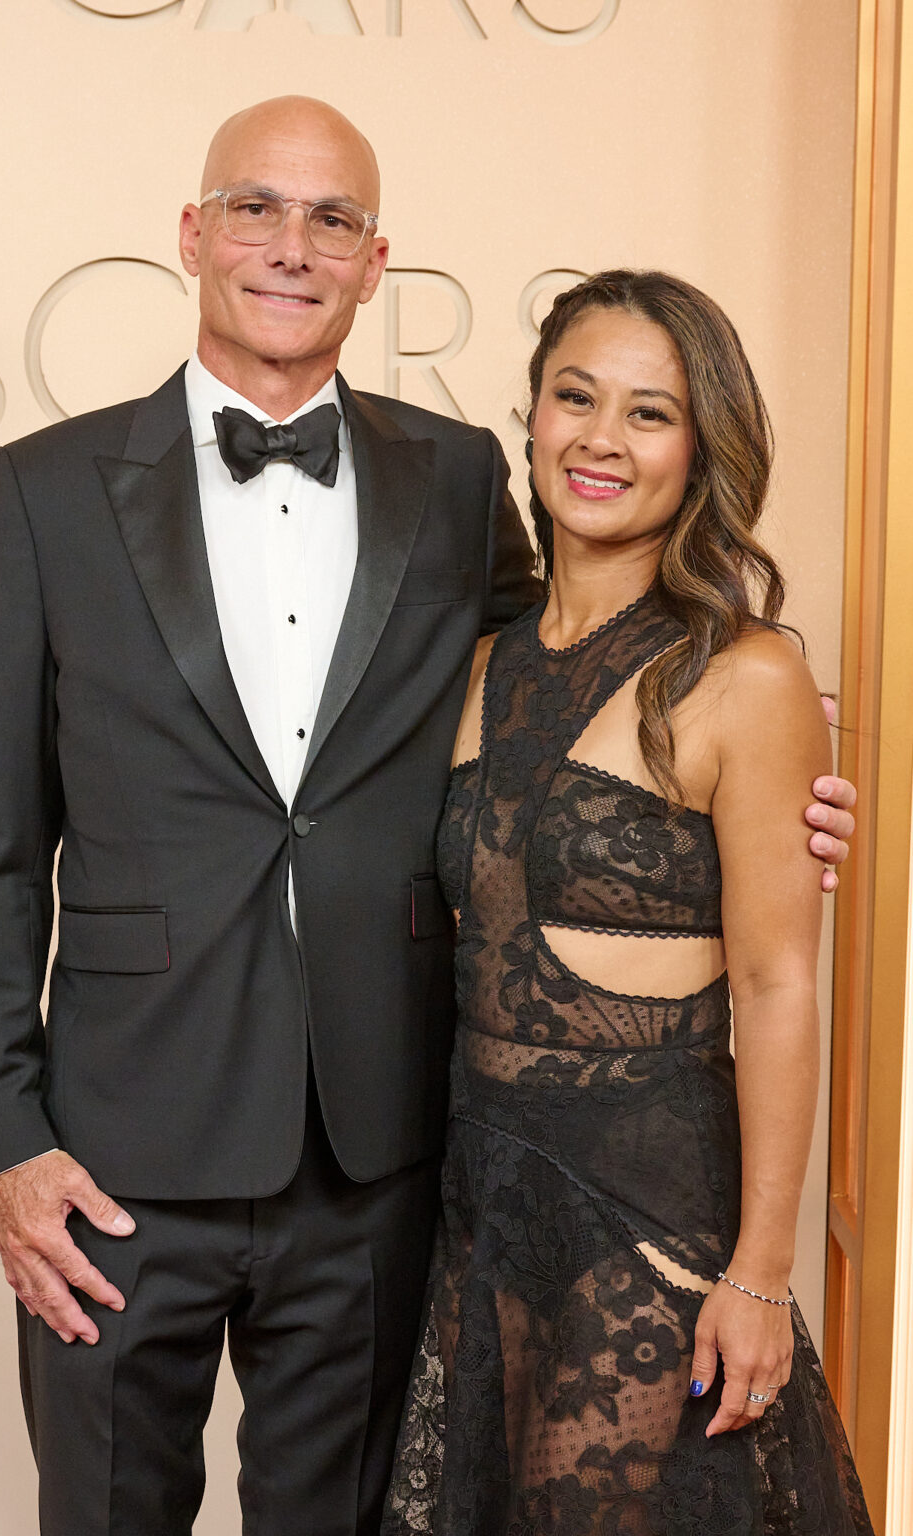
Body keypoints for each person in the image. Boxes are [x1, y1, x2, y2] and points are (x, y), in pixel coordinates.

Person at [0, 97, 854, 1536]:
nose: (291, 246)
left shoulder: (460, 479)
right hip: (111, 1164)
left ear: (375, 264)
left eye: (333, 220)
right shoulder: (44, 494)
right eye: (255, 207)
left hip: (376, 1165)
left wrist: (776, 814)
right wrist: (4, 1137)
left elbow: (562, 701)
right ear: (193, 233)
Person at [384, 270, 872, 1535]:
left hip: (649, 1224)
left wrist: (761, 1276)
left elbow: (777, 985)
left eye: (649, 413)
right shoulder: (482, 660)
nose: (601, 438)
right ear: (532, 417)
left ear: (703, 447)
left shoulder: (748, 675)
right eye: (574, 397)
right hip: (481, 1212)